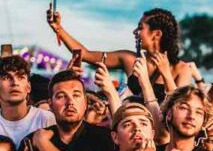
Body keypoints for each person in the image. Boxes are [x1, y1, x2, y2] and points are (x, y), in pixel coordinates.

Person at [48, 7, 193, 101]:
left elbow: (179, 105)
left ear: (156, 34)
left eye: (140, 28)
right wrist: (58, 28)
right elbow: (85, 54)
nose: (135, 32)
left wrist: (166, 74)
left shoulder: (182, 68)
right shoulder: (129, 59)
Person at [156, 85, 213, 151]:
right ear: (169, 114)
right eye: (184, 108)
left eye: (198, 112)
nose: (191, 116)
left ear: (203, 121)